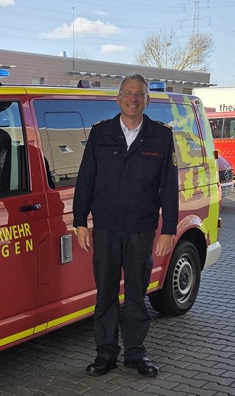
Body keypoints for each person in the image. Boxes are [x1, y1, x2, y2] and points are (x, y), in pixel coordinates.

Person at [72, 74, 178, 378]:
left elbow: (168, 187)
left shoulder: (160, 136)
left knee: (136, 292)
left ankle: (135, 354)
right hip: (105, 228)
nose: (133, 98)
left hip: (141, 230)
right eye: (128, 93)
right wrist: (80, 222)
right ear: (118, 98)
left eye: (139, 94)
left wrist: (168, 229)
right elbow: (86, 181)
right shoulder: (100, 133)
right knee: (105, 293)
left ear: (147, 99)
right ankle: (105, 355)